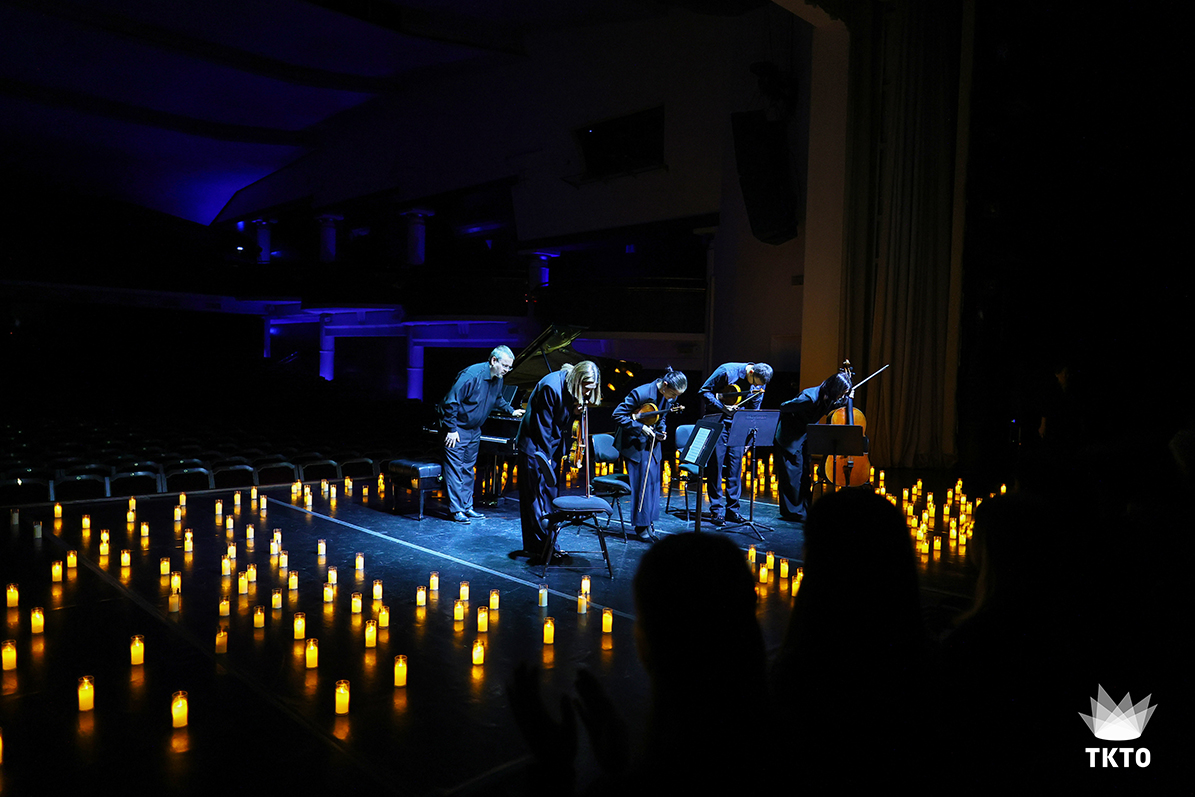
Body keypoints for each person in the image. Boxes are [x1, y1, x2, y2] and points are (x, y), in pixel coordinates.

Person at [515, 361, 601, 564]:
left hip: (550, 446)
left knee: (549, 497)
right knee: (537, 499)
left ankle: (544, 546)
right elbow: (542, 428)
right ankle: (544, 548)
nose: (588, 394)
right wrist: (546, 460)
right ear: (577, 380)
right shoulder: (550, 387)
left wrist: (575, 410)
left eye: (591, 389)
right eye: (586, 388)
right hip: (535, 447)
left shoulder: (571, 387)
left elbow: (560, 421)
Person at [437, 346, 524, 523]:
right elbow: (451, 402)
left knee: (468, 469)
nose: (507, 370)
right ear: (493, 360)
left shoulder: (498, 379)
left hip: (474, 430)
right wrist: (451, 429)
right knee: (455, 469)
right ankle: (456, 510)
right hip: (457, 429)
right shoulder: (471, 375)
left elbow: (497, 398)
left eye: (509, 367)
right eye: (505, 366)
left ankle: (467, 507)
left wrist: (511, 410)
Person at [611, 367, 687, 540]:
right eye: (672, 394)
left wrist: (661, 431)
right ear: (665, 385)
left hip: (651, 443)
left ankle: (648, 521)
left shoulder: (668, 396)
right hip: (634, 443)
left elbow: (662, 416)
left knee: (652, 484)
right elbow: (618, 415)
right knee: (641, 485)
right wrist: (640, 427)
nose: (673, 399)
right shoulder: (641, 393)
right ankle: (641, 527)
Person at [698, 361, 772, 525]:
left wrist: (749, 439)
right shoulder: (726, 372)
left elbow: (754, 409)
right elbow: (704, 392)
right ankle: (716, 511)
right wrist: (723, 407)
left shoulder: (760, 382)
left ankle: (733, 510)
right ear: (751, 372)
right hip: (719, 421)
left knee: (735, 467)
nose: (757, 387)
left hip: (739, 425)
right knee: (716, 466)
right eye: (755, 383)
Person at [773, 371, 850, 521]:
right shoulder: (808, 398)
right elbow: (784, 407)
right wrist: (795, 421)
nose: (842, 396)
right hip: (789, 437)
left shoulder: (828, 397)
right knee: (792, 477)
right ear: (834, 389)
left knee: (804, 474)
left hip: (804, 436)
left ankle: (804, 509)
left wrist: (848, 398)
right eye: (841, 393)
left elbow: (834, 405)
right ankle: (793, 512)